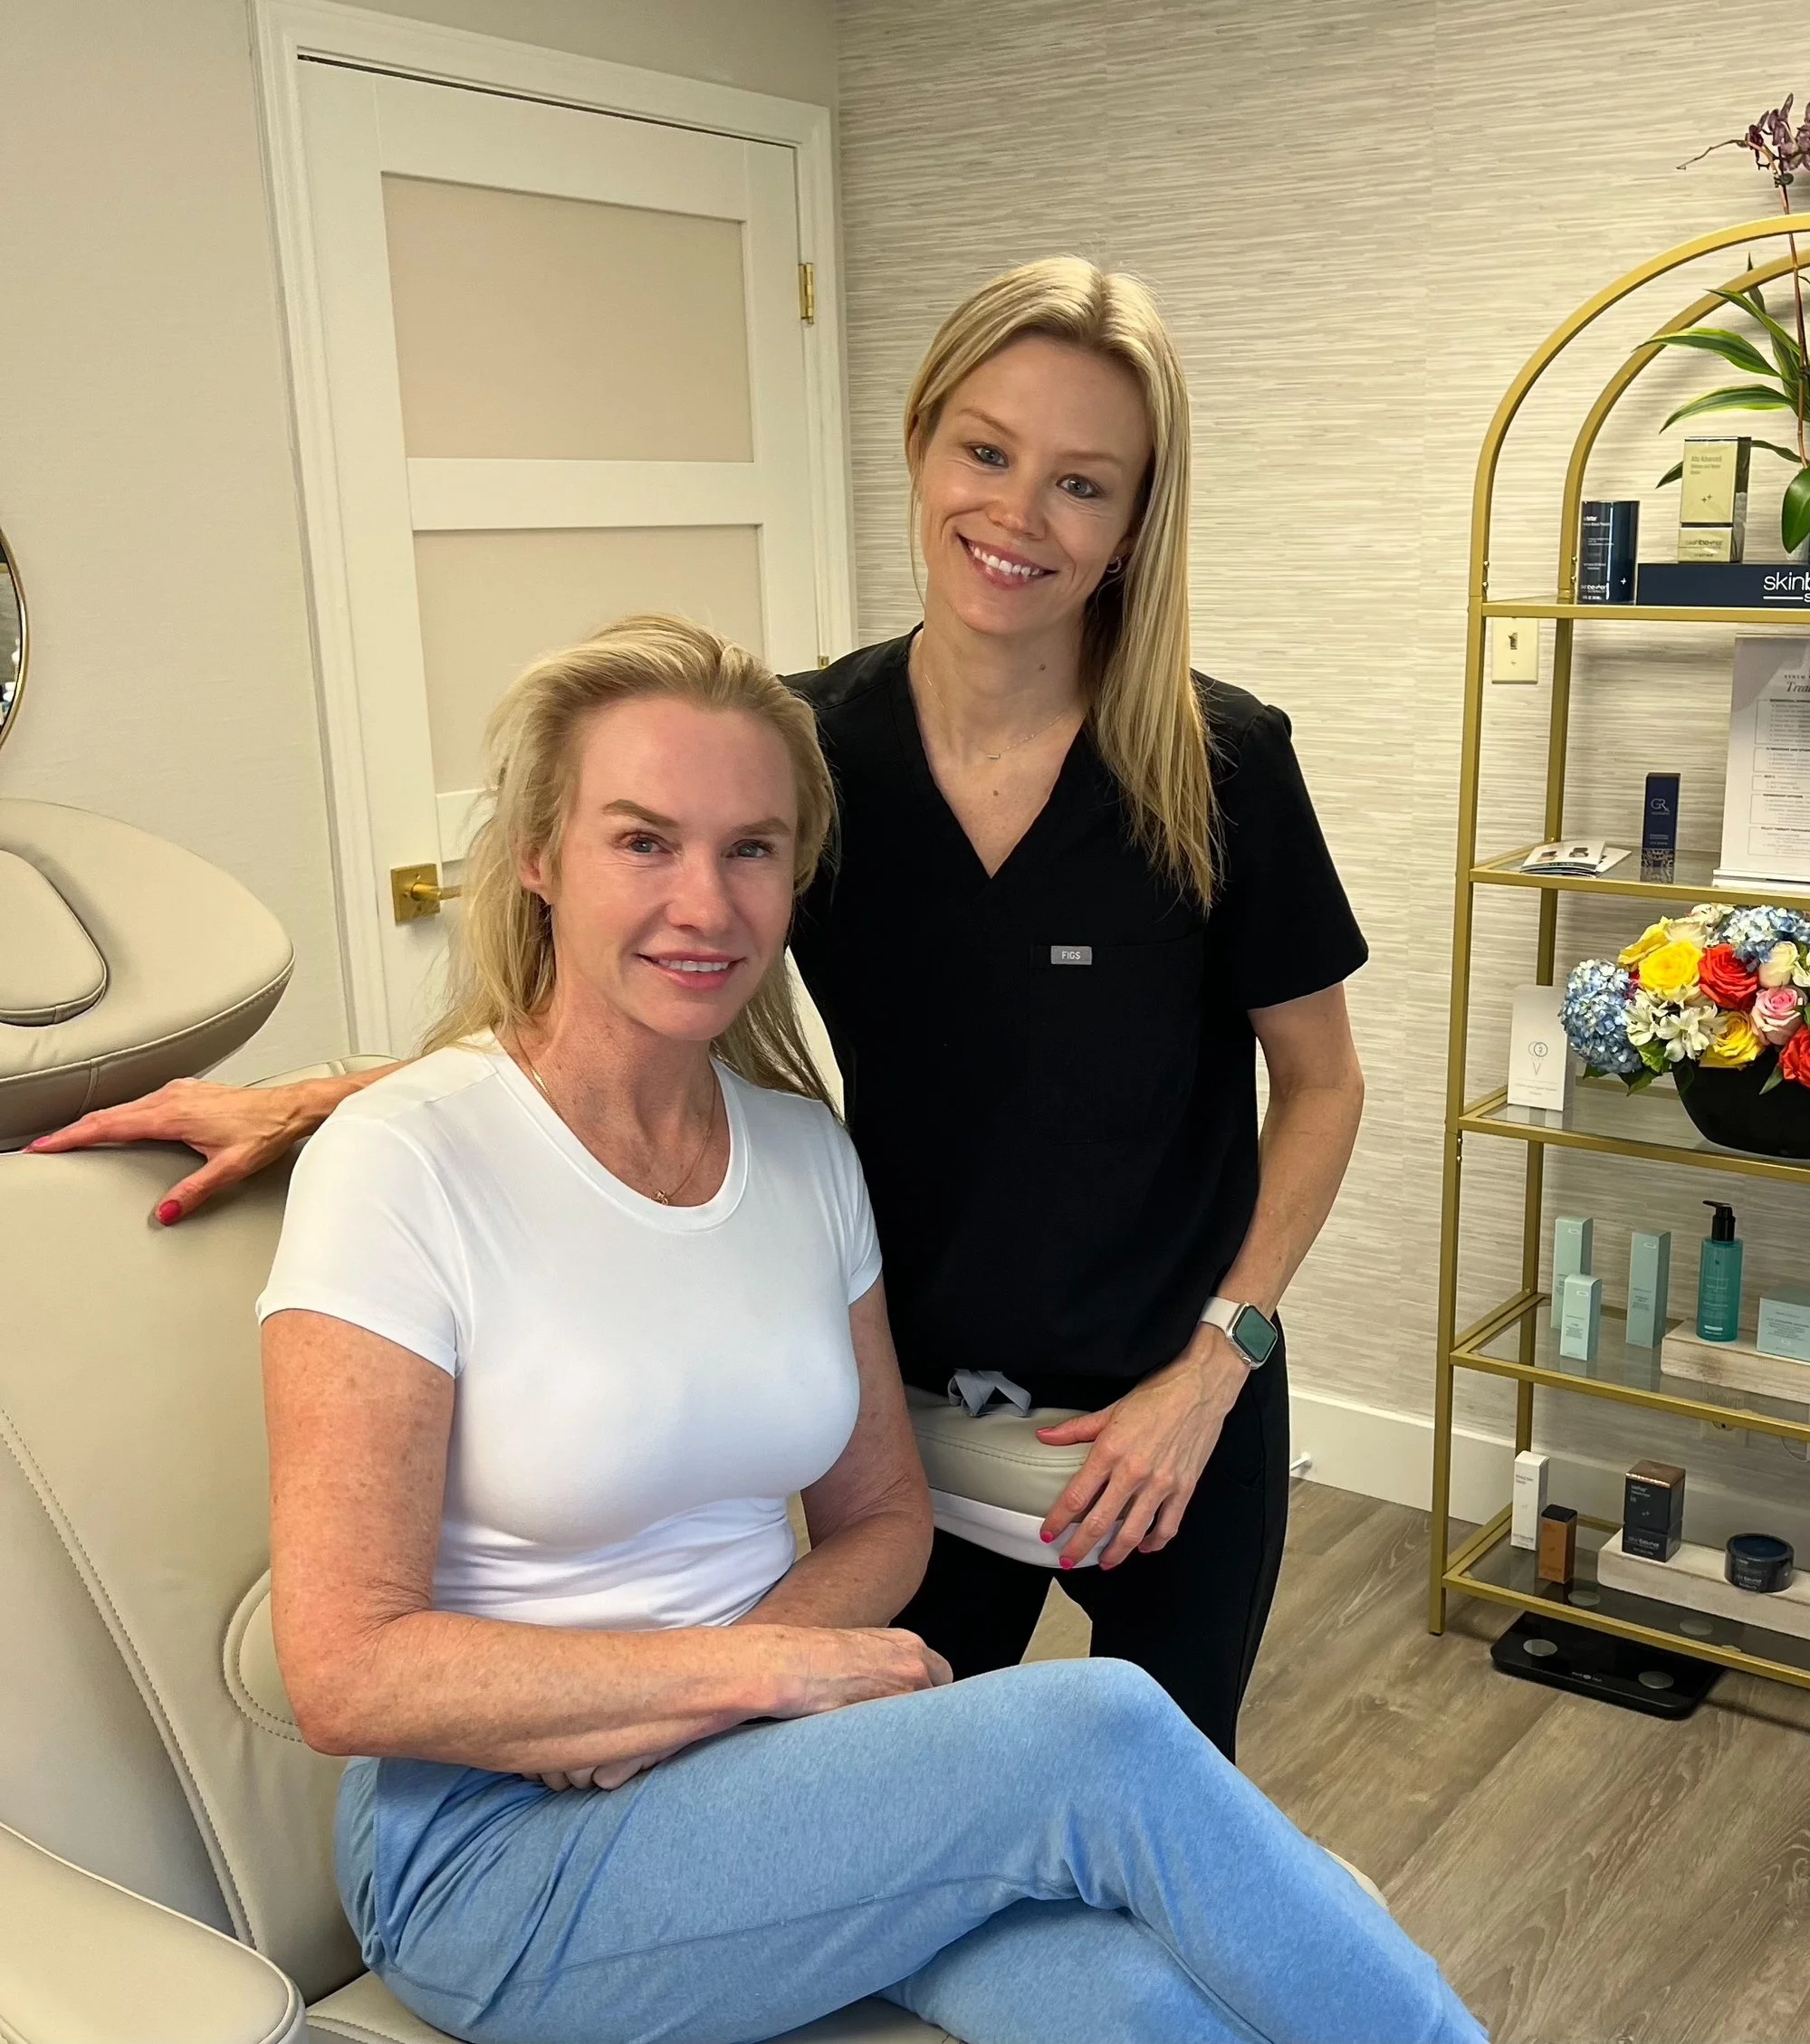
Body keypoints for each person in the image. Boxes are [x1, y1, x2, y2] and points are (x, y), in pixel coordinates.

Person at [33, 257, 1367, 1762]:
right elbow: (614, 997)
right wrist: (314, 1101)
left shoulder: (1220, 764)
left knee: (1164, 1792)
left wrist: (1217, 1362)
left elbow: (1322, 1086)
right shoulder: (815, 753)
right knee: (879, 1806)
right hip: (908, 1424)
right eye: (985, 451)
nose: (1016, 514)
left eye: (1081, 484)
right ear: (921, 445)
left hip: (1167, 1410)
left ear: (1134, 524)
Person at [254, 618, 1480, 2044]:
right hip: (498, 1850)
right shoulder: (402, 1161)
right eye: (643, 841)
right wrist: (748, 1674)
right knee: (1103, 1729)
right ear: (539, 853)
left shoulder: (802, 1158)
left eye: (752, 849)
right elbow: (344, 1671)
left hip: (756, 1768)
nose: (704, 902)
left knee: (1152, 2006)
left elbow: (887, 1518)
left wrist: (723, 1692)